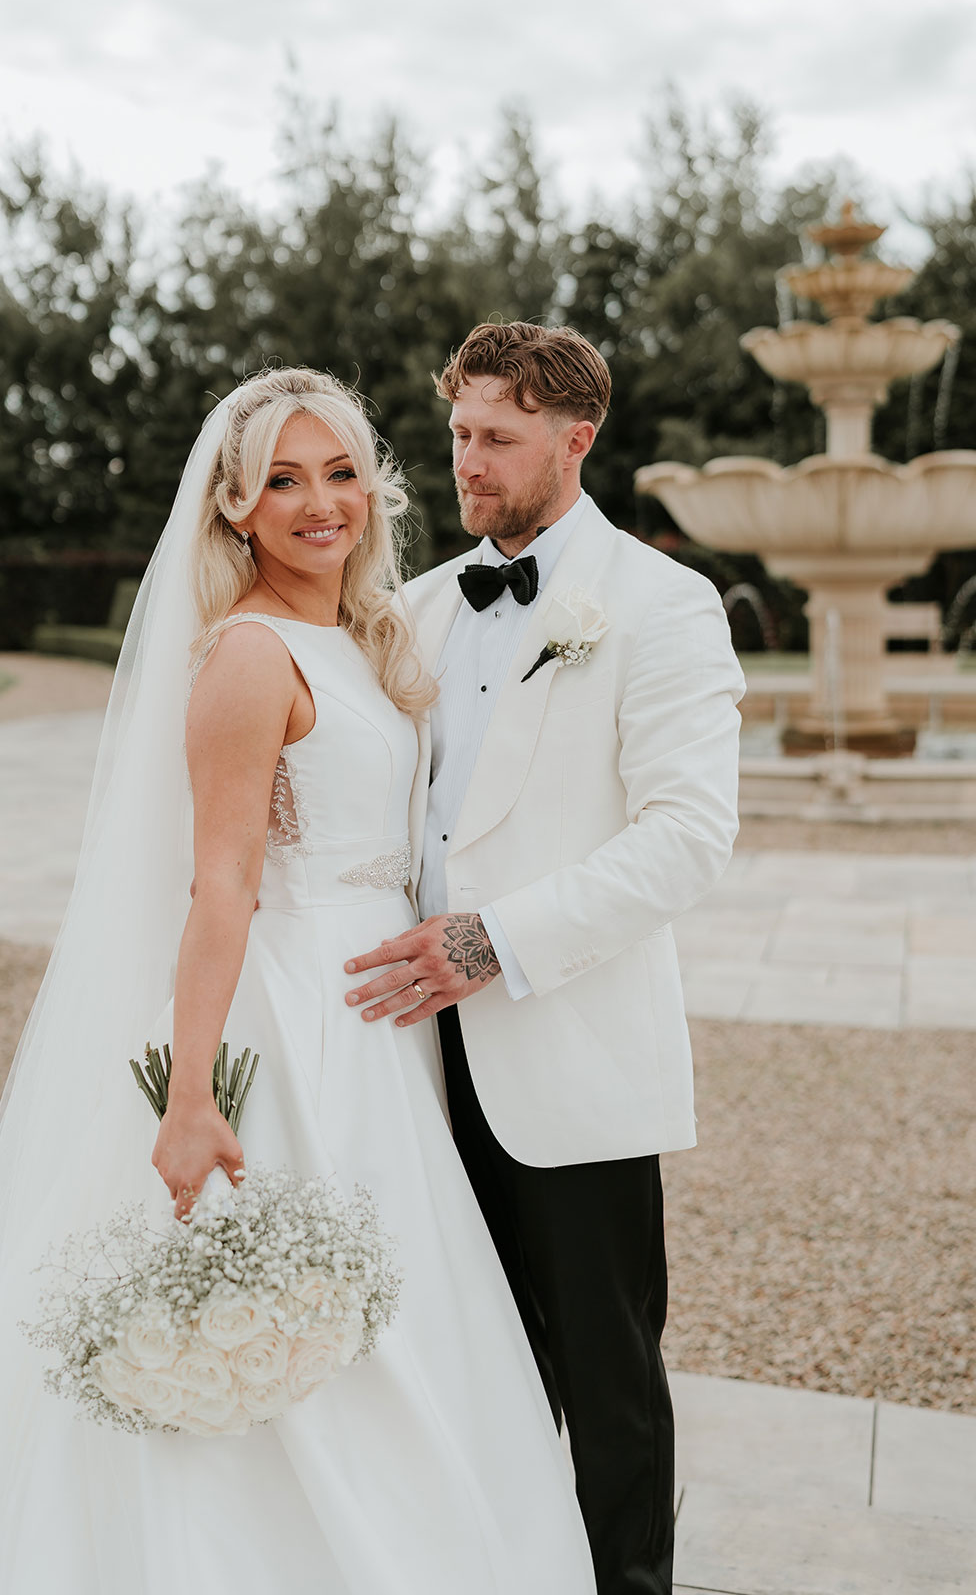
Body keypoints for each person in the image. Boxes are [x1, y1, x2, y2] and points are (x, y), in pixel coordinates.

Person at [0, 368, 594, 1595]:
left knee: (386, 1303)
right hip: (302, 1017)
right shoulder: (250, 657)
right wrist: (192, 1093)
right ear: (234, 508)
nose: (320, 503)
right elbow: (221, 888)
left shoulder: (369, 636)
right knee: (290, 1290)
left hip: (386, 1018)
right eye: (283, 481)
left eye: (340, 472)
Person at [345, 323, 746, 1595]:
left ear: (578, 440)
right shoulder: (413, 610)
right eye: (460, 433)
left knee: (608, 1392)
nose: (467, 462)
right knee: (456, 1378)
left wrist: (492, 941)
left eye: (499, 438)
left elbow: (688, 838)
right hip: (409, 1067)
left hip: (571, 1064)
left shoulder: (662, 605)